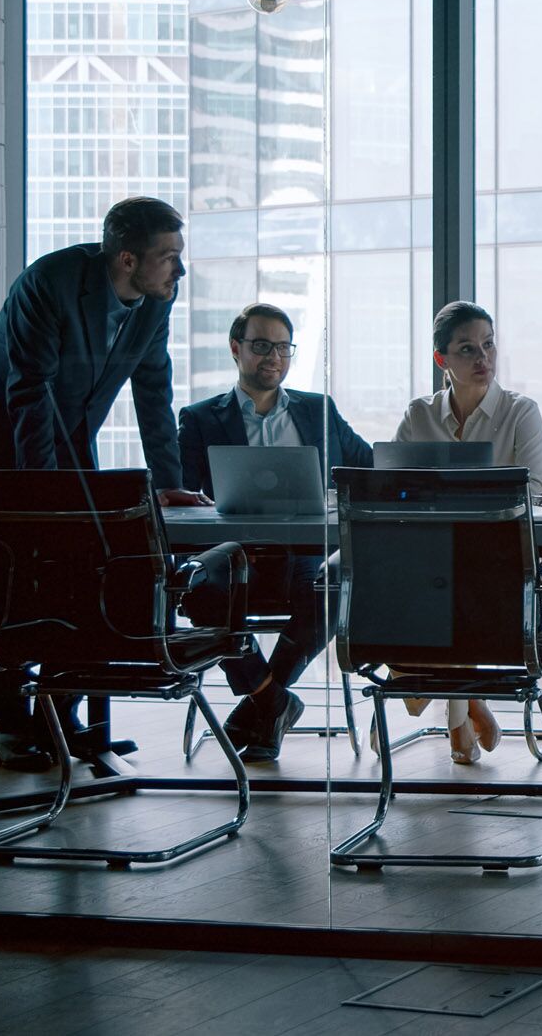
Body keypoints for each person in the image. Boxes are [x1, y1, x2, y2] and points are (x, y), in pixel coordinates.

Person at [0, 196, 206, 772]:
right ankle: (14, 730)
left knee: (90, 565)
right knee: (3, 572)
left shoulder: (158, 296)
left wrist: (170, 483)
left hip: (65, 425)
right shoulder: (49, 282)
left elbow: (154, 389)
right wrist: (47, 501)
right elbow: (27, 391)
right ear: (127, 259)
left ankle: (58, 715)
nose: (179, 269)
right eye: (168, 256)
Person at [176, 302, 373, 761]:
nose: (274, 357)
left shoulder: (318, 410)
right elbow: (184, 494)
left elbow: (367, 467)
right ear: (236, 348)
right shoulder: (200, 418)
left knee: (334, 588)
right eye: (262, 345)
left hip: (304, 554)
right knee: (198, 593)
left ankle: (263, 704)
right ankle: (272, 704)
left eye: (283, 348)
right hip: (233, 555)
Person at [393, 301, 542, 763]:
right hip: (428, 561)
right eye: (467, 349)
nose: (483, 357)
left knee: (448, 584)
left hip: (498, 562)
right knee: (404, 581)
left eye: (488, 345)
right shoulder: (419, 415)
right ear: (441, 359)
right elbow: (391, 486)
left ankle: (450, 706)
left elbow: (536, 491)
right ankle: (466, 700)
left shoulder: (520, 411)